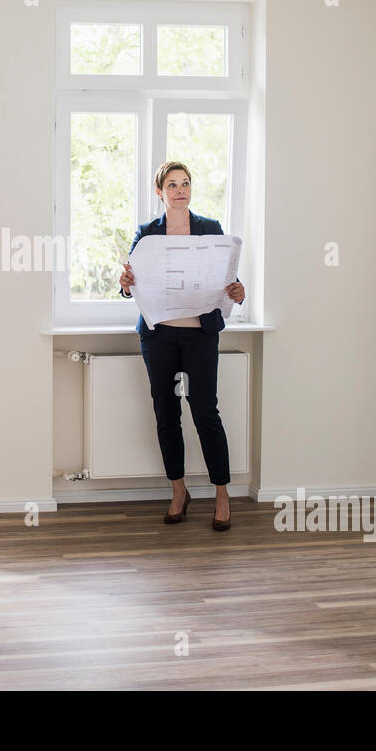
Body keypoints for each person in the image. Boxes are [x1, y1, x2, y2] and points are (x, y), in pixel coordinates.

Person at [119, 161, 245, 531]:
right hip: (159, 336)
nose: (180, 190)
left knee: (206, 412)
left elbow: (229, 281)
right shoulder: (147, 234)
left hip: (200, 335)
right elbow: (130, 286)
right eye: (172, 185)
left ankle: (222, 495)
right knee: (166, 414)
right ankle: (179, 491)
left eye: (185, 183)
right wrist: (125, 282)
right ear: (160, 192)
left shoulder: (210, 229)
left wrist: (239, 290)